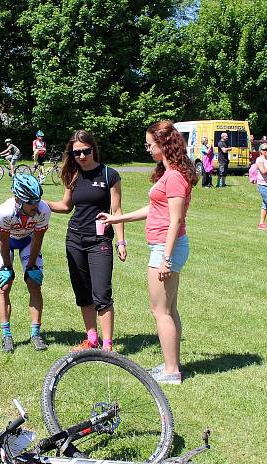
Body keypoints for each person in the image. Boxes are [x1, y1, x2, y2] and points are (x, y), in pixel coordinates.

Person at [97, 120, 196, 385]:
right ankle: (170, 364)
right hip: (165, 247)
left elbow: (175, 220)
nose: (147, 148)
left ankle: (172, 371)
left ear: (163, 144)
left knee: (160, 310)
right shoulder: (170, 173)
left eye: (149, 144)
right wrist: (117, 219)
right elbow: (154, 210)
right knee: (169, 308)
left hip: (166, 248)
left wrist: (165, 258)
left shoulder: (174, 176)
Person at [44, 130, 126, 352]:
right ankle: (91, 339)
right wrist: (40, 203)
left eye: (85, 151)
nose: (81, 156)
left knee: (101, 293)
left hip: (99, 240)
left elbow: (116, 210)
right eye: (76, 152)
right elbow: (65, 206)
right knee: (82, 291)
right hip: (75, 239)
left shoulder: (110, 175)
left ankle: (107, 345)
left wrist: (121, 241)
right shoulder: (73, 175)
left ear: (93, 149)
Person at [0, 173, 50, 353]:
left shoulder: (43, 210)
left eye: (37, 200)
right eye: (31, 202)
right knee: (4, 285)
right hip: (6, 242)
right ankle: (6, 335)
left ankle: (35, 333)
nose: (36, 205)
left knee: (34, 283)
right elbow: (3, 241)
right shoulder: (4, 212)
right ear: (18, 199)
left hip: (29, 241)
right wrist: (7, 266)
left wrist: (31, 265)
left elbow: (38, 240)